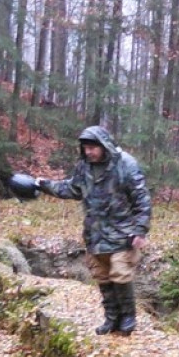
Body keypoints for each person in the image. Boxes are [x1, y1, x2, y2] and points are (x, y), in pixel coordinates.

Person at [36, 126, 151, 336]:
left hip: (122, 233)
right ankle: (111, 318)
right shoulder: (84, 167)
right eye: (85, 148)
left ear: (103, 145)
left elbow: (141, 199)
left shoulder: (126, 164)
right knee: (102, 276)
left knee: (120, 273)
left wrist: (140, 230)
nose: (89, 152)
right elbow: (71, 189)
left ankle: (128, 317)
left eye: (92, 148)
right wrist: (43, 185)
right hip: (95, 235)